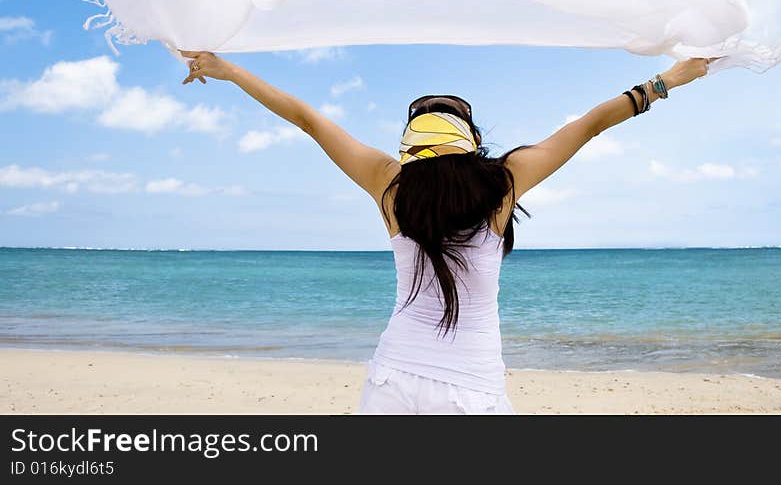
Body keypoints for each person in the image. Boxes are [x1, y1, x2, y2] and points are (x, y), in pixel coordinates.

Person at [179, 48, 717, 414]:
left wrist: (227, 69)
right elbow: (594, 122)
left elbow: (308, 118)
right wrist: (670, 78)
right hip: (472, 387)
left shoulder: (389, 184)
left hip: (394, 378)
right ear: (471, 139)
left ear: (408, 141)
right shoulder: (504, 182)